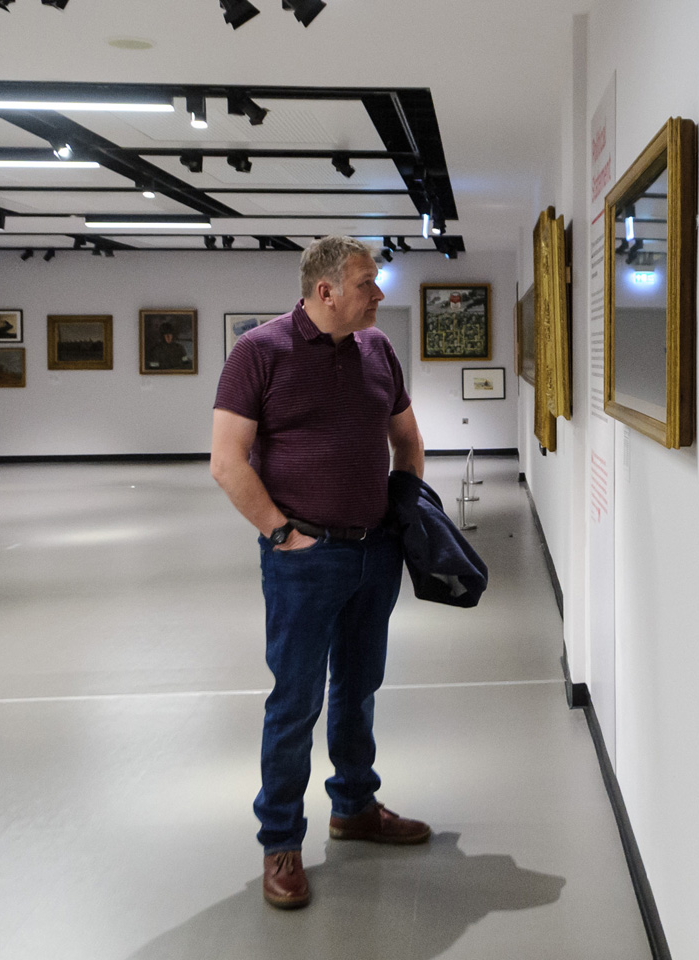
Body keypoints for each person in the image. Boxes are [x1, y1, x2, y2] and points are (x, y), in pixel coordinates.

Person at [210, 236, 429, 911]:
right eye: (368, 282)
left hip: (374, 552)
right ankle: (281, 841)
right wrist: (283, 534)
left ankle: (355, 806)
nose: (380, 294)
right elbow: (227, 459)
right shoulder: (259, 352)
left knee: (359, 685)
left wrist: (405, 515)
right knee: (296, 701)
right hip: (305, 561)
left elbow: (407, 439)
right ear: (326, 290)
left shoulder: (378, 351)